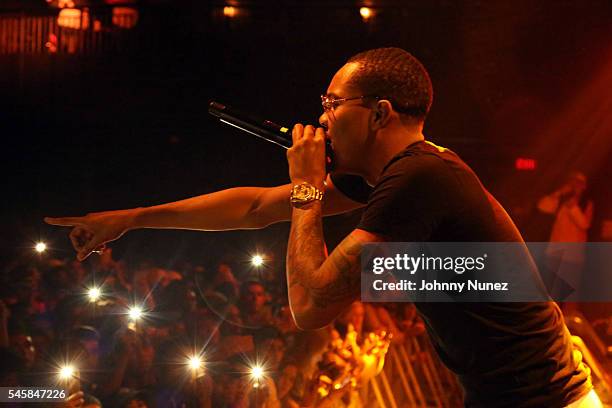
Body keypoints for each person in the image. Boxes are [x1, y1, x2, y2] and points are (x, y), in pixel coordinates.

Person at [46, 47, 599, 407]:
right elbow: (256, 207)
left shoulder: (419, 178)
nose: (322, 118)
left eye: (333, 104)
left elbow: (309, 307)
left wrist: (309, 186)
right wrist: (133, 219)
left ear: (379, 113)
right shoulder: (402, 172)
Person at [538, 172, 594, 313]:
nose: (575, 186)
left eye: (579, 183)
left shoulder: (587, 204)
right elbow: (542, 206)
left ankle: (566, 322)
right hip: (554, 252)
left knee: (567, 294)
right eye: (573, 182)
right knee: (549, 290)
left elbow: (585, 224)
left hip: (572, 257)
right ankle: (549, 317)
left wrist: (573, 208)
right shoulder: (561, 200)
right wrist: (558, 193)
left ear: (584, 187)